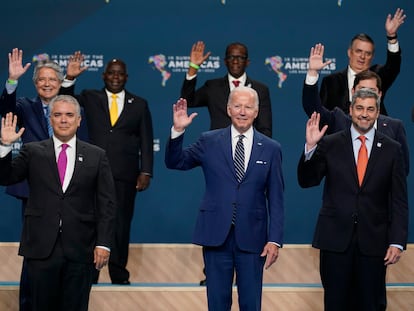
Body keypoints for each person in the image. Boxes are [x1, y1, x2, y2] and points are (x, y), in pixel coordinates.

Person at [165, 86, 284, 310]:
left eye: (248, 107)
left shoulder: (270, 148)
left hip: (253, 238)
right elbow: (176, 162)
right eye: (237, 106)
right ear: (228, 109)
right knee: (217, 303)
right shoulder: (209, 141)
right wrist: (178, 131)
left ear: (256, 112)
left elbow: (276, 197)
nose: (242, 111)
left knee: (251, 304)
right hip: (216, 235)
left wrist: (274, 239)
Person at [0, 95, 116, 311]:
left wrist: (103, 243)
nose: (63, 120)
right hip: (41, 247)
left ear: (79, 120)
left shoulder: (96, 156)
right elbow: (5, 177)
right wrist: (5, 147)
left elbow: (106, 203)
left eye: (69, 115)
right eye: (57, 115)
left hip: (81, 248)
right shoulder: (33, 151)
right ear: (50, 120)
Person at [297, 89, 408, 311]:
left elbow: (399, 200)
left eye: (370, 109)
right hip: (335, 241)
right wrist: (310, 148)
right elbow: (307, 180)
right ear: (350, 110)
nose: (364, 114)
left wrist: (397, 241)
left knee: (370, 304)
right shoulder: (330, 143)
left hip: (374, 242)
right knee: (336, 304)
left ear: (377, 112)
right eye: (359, 108)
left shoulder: (392, 149)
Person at [0, 48, 88, 310]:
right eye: (41, 80)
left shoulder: (70, 108)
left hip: (68, 188)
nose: (47, 83)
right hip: (34, 189)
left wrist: (70, 82)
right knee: (35, 251)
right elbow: (5, 108)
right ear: (35, 84)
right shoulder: (25, 106)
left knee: (67, 250)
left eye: (52, 79)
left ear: (60, 83)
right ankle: (29, 304)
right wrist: (12, 80)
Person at [60, 57, 154, 285]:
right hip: (91, 172)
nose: (115, 77)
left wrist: (146, 171)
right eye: (111, 73)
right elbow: (65, 101)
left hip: (125, 175)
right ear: (104, 76)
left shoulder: (139, 103)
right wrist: (70, 77)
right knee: (91, 223)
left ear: (126, 77)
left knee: (121, 224)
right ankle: (90, 274)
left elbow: (146, 139)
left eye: (120, 73)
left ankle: (119, 273)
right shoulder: (91, 97)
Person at [303, 43, 409, 176]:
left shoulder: (394, 128)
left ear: (380, 95)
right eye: (362, 90)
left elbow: (402, 171)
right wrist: (312, 73)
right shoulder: (339, 120)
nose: (366, 96)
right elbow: (313, 108)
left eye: (371, 91)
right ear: (353, 92)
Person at [320, 8, 406, 115]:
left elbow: (393, 66)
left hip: (375, 130)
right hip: (342, 131)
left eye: (368, 53)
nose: (362, 56)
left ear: (372, 56)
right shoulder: (331, 82)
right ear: (349, 52)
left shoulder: (378, 76)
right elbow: (321, 115)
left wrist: (391, 37)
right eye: (358, 51)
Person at [181, 41, 272, 137]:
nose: (235, 61)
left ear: (247, 62)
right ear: (225, 61)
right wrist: (193, 67)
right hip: (217, 147)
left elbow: (265, 129)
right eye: (231, 57)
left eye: (240, 57)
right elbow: (188, 101)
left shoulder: (260, 90)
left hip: (248, 148)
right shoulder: (212, 87)